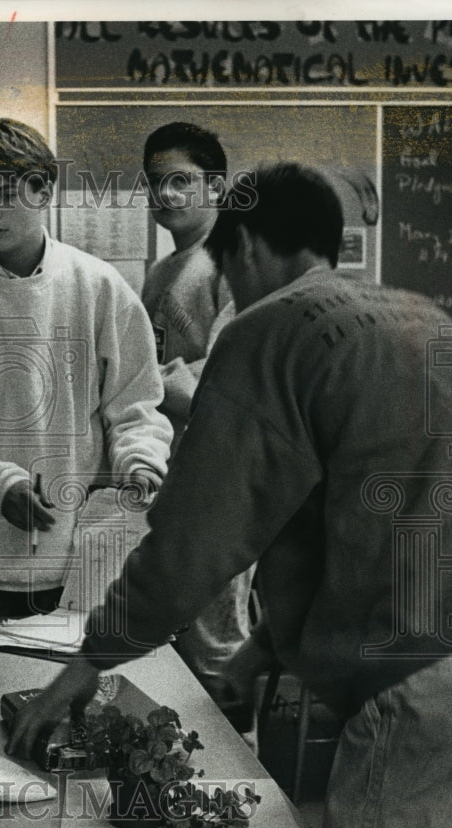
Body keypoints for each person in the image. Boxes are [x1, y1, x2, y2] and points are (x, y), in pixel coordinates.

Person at [7, 162, 452, 828]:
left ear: (245, 247)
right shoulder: (421, 318)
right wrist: (261, 648)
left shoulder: (267, 329)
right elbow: (356, 524)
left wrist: (90, 659)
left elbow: (196, 536)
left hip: (405, 688)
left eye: (230, 271)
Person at [0, 118, 172, 619]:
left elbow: (136, 407)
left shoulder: (99, 288)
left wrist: (140, 463)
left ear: (44, 189)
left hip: (83, 557)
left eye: (6, 193)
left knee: (77, 690)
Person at [140, 121, 254, 738]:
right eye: (156, 183)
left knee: (217, 642)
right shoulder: (162, 272)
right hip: (173, 471)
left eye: (181, 181)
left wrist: (159, 382)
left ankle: (247, 793)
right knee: (175, 633)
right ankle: (187, 780)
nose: (167, 195)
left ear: (216, 185)